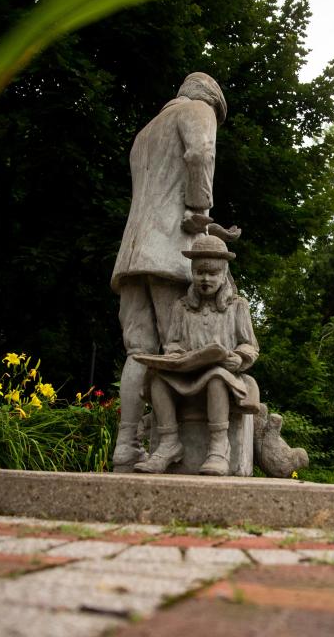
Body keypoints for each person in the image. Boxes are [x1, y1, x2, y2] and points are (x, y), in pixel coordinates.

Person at [110, 73, 227, 471]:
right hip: (170, 248)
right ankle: (194, 448)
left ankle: (126, 445)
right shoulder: (199, 110)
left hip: (131, 255)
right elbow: (200, 153)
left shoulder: (144, 133)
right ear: (211, 101)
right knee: (182, 343)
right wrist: (200, 212)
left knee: (138, 352)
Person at [132, 235, 259, 476]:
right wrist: (174, 355)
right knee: (157, 378)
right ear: (192, 272)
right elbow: (173, 343)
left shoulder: (237, 306)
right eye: (200, 272)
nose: (205, 279)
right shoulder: (182, 306)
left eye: (212, 274)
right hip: (187, 375)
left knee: (216, 377)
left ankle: (219, 448)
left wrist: (240, 358)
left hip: (225, 376)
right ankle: (169, 444)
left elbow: (250, 346)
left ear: (224, 274)